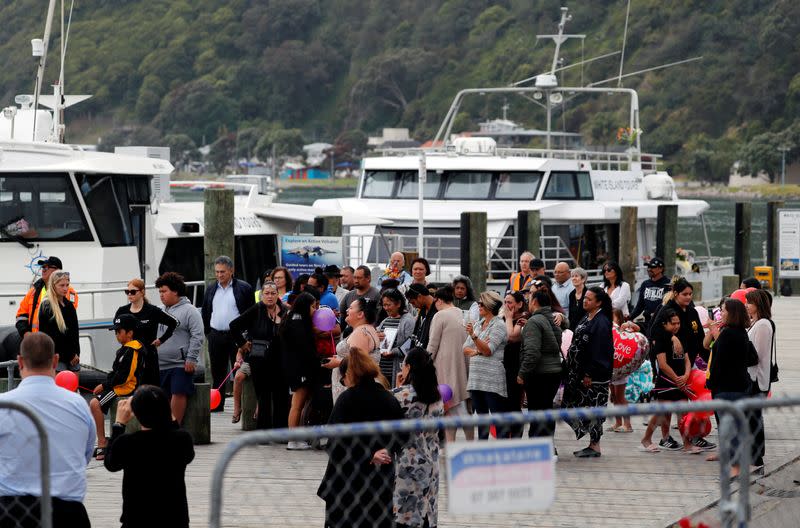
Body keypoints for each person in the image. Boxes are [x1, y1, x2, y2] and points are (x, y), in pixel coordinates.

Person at [0, 333, 94, 528]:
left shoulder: (4, 405)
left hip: (12, 510)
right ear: (56, 360)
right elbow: (84, 455)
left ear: (19, 361)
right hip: (66, 512)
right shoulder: (78, 405)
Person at [317, 347, 404, 527]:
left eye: (343, 378)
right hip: (380, 480)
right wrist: (384, 450)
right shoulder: (389, 399)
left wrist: (368, 454)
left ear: (350, 374)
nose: (343, 382)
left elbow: (334, 442)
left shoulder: (346, 400)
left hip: (347, 481)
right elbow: (402, 436)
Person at [104, 385, 195, 528]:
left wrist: (119, 424)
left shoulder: (127, 443)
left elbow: (111, 464)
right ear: (167, 409)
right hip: (175, 518)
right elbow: (188, 454)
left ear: (136, 414)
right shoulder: (182, 439)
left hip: (137, 518)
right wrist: (167, 413)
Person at [650, 278, 713, 451]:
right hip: (668, 363)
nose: (688, 297)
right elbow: (653, 332)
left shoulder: (692, 312)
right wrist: (672, 337)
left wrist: (708, 360)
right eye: (685, 294)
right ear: (676, 293)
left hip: (688, 362)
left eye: (690, 294)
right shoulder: (666, 310)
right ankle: (665, 437)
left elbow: (700, 338)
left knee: (691, 400)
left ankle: (694, 435)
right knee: (669, 402)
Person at [393, 347, 444, 528]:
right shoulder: (437, 398)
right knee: (426, 511)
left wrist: (398, 385)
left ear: (408, 367)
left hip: (406, 463)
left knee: (404, 514)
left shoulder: (400, 396)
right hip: (431, 462)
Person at [562, 286, 614, 457]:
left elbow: (599, 351)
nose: (585, 301)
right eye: (585, 298)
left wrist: (588, 374)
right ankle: (591, 442)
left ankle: (595, 445)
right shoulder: (587, 317)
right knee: (573, 404)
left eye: (589, 299)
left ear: (598, 302)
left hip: (593, 377)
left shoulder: (601, 322)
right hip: (578, 374)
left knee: (594, 409)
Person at [229, 281, 288, 429]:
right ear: (262, 295)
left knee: (281, 395)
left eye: (273, 293)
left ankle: (281, 431)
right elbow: (234, 326)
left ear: (277, 295)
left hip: (280, 358)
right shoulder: (256, 309)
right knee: (263, 395)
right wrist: (242, 343)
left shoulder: (285, 311)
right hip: (259, 358)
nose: (269, 297)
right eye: (266, 294)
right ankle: (264, 431)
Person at [707, 299, 755, 478]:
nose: (721, 313)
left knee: (730, 428)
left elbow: (719, 362)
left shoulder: (728, 334)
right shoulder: (741, 332)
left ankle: (735, 468)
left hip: (727, 387)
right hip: (740, 385)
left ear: (732, 313)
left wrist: (711, 382)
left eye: (724, 310)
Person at [640, 309, 698, 454]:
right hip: (666, 381)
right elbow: (663, 364)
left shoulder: (681, 336)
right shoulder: (661, 338)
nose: (676, 326)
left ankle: (687, 444)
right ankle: (646, 439)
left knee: (683, 414)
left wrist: (685, 375)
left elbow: (687, 359)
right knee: (661, 412)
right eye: (673, 324)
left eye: (678, 323)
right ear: (664, 324)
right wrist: (676, 378)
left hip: (681, 381)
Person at [201, 255, 255, 412]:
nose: (219, 275)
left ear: (231, 271)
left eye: (222, 272)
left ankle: (244, 406)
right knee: (217, 372)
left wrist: (246, 337)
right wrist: (209, 333)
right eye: (217, 272)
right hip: (216, 335)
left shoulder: (244, 288)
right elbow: (205, 312)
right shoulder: (211, 289)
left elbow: (251, 313)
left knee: (241, 371)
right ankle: (217, 405)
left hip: (238, 337)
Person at [89, 314, 145, 460]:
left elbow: (125, 377)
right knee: (95, 403)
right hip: (118, 386)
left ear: (130, 333)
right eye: (115, 332)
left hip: (124, 388)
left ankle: (102, 442)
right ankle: (104, 440)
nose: (116, 335)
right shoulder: (125, 349)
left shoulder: (132, 350)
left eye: (119, 331)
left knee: (95, 404)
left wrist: (104, 385)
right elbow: (116, 373)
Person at [155, 272, 204, 425]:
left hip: (180, 364)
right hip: (159, 365)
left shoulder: (190, 311)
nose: (161, 295)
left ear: (175, 291)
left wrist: (191, 358)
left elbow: (198, 335)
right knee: (160, 397)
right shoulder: (159, 311)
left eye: (164, 291)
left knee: (178, 393)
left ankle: (174, 429)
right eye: (160, 292)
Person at [428, 285, 473, 442]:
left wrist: (426, 363)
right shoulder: (464, 314)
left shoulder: (440, 315)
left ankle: (458, 445)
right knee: (459, 407)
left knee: (452, 408)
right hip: (464, 364)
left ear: (439, 300)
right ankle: (459, 443)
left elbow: (432, 345)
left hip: (445, 366)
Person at [114, 277, 178, 386]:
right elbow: (117, 331)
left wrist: (161, 340)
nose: (130, 294)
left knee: (150, 390)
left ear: (142, 292)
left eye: (133, 292)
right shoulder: (122, 311)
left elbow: (174, 322)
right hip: (129, 356)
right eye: (127, 292)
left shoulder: (152, 310)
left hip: (148, 357)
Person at [518, 290, 563, 442]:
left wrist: (522, 373)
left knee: (536, 412)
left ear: (535, 302)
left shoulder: (534, 321)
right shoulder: (552, 318)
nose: (528, 302)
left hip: (540, 374)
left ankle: (536, 448)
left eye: (529, 300)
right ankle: (549, 447)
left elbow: (532, 353)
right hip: (555, 372)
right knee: (547, 411)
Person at [463, 291, 508, 440]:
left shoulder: (499, 325)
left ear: (490, 305)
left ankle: (501, 452)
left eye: (481, 304)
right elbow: (465, 348)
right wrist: (478, 349)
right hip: (476, 377)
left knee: (496, 417)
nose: (478, 306)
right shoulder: (478, 324)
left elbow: (488, 350)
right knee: (481, 418)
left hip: (492, 378)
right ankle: (482, 448)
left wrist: (475, 338)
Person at [279, 292, 320, 450]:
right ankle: (293, 440)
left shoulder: (292, 318)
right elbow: (304, 348)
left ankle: (295, 438)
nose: (315, 310)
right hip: (299, 368)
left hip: (294, 367)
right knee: (297, 404)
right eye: (312, 306)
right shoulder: (298, 322)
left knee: (298, 404)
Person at [324, 297, 382, 402]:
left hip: (352, 387)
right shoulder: (366, 329)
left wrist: (337, 362)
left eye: (350, 308)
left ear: (360, 314)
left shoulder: (360, 333)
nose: (346, 310)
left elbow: (359, 364)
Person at [745, 289, 775, 468]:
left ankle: (757, 456)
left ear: (758, 305)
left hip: (757, 378)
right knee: (752, 417)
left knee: (754, 418)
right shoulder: (755, 322)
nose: (746, 305)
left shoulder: (763, 324)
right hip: (752, 376)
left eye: (749, 303)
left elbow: (757, 354)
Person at [15, 256, 78, 337]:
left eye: (48, 267)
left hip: (57, 344)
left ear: (57, 271)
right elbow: (21, 316)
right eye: (43, 267)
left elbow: (68, 320)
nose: (44, 269)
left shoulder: (69, 293)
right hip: (34, 342)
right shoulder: (33, 291)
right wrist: (26, 333)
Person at [36, 271, 79, 373]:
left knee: (73, 388)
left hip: (72, 357)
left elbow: (75, 332)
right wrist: (70, 355)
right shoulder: (47, 306)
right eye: (62, 285)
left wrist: (77, 353)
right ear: (53, 285)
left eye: (67, 285)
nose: (65, 288)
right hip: (56, 357)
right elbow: (53, 337)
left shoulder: (69, 305)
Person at [376, 289, 415, 387]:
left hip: (397, 370)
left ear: (398, 304)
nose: (386, 308)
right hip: (382, 370)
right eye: (384, 305)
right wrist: (377, 336)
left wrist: (393, 352)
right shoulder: (385, 321)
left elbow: (410, 345)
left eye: (389, 305)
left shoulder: (408, 321)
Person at [503, 291, 528, 437]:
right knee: (505, 403)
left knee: (514, 402)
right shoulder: (504, 317)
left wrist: (507, 318)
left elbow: (512, 336)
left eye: (510, 302)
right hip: (504, 365)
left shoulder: (523, 317)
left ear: (519, 304)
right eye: (505, 302)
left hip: (516, 366)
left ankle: (516, 436)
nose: (507, 306)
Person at [608, 309, 634, 433]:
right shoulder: (608, 330)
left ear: (619, 318)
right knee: (613, 396)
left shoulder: (624, 330)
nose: (612, 320)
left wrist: (628, 324)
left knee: (620, 396)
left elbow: (638, 330)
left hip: (621, 367)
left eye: (614, 318)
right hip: (611, 367)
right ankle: (618, 422)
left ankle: (627, 424)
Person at [629, 257, 671, 334]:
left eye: (653, 267)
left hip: (663, 323)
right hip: (648, 322)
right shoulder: (645, 284)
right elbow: (640, 306)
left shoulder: (669, 284)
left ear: (661, 269)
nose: (649, 269)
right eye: (648, 267)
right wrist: (630, 317)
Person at [339, 265, 380, 335]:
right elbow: (342, 317)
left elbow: (378, 319)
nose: (356, 281)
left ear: (368, 278)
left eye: (359, 278)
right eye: (354, 278)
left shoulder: (376, 294)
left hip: (368, 335)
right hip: (351, 335)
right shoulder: (349, 295)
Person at [406, 284, 438, 349]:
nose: (414, 306)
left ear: (419, 296)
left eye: (413, 302)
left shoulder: (438, 311)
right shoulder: (422, 310)